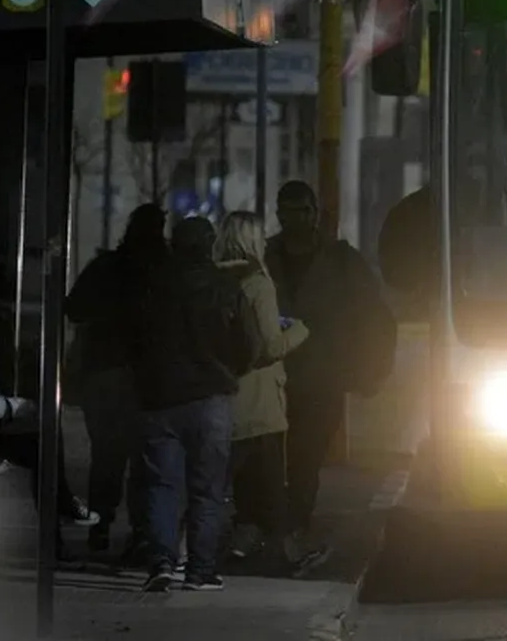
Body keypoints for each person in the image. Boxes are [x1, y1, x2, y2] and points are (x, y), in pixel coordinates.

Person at [133, 216, 261, 593]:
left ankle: (161, 561)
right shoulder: (226, 287)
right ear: (209, 245)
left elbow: (134, 341)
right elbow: (250, 344)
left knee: (162, 484)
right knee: (208, 487)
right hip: (210, 399)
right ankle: (200, 569)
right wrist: (230, 371)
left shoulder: (154, 288)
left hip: (161, 399)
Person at [267, 181, 395, 544]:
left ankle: (294, 521)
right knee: (274, 458)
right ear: (279, 215)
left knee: (307, 454)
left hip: (324, 378)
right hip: (274, 377)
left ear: (315, 214)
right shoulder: (266, 258)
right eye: (289, 211)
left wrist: (371, 370)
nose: (296, 219)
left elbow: (375, 317)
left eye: (303, 211)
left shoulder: (341, 260)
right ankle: (285, 521)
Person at [65, 202, 167, 555]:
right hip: (145, 376)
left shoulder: (105, 267)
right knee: (145, 458)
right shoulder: (162, 271)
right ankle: (140, 530)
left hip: (104, 372)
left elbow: (73, 307)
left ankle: (101, 526)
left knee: (106, 456)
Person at [215, 211, 311, 569]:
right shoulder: (258, 282)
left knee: (234, 485)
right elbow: (271, 346)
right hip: (261, 401)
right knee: (272, 485)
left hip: (223, 396)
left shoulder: (215, 278)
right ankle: (288, 556)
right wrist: (300, 330)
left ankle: (234, 548)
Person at [0, 300, 98, 530]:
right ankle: (58, 513)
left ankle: (60, 508)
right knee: (42, 448)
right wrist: (20, 405)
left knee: (49, 439)